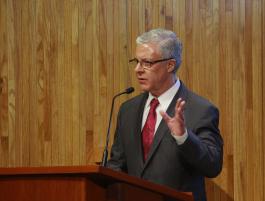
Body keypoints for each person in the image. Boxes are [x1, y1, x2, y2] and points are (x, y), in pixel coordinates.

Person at [107, 28, 223, 201]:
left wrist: (184, 137)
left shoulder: (200, 110)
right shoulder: (127, 110)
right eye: (136, 62)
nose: (138, 69)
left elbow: (212, 166)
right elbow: (117, 164)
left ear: (170, 65)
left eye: (147, 63)